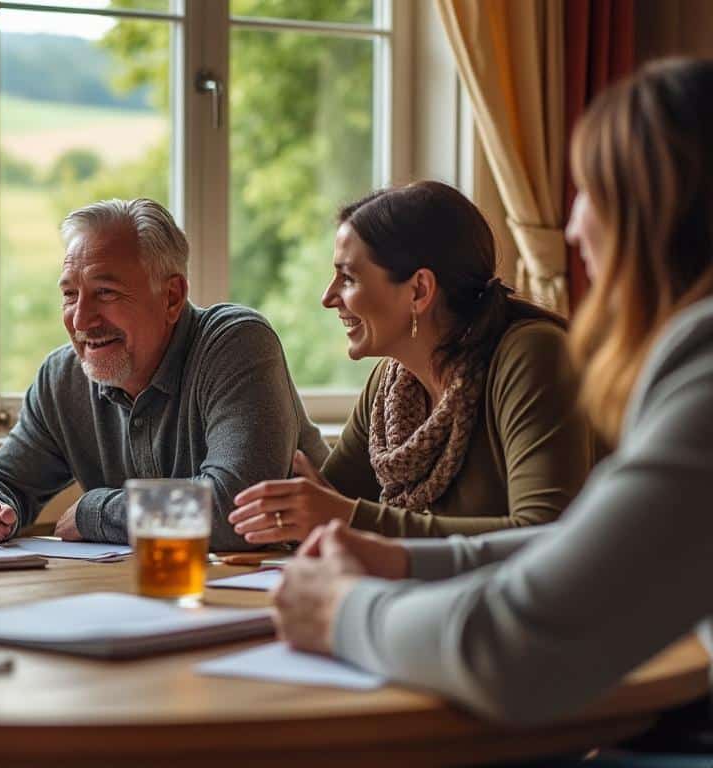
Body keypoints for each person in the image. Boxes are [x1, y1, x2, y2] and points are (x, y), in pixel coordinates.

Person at [271, 59, 713, 754]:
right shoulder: (393, 383)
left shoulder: (692, 374)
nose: (570, 228)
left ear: (660, 216)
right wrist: (403, 563)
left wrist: (343, 610)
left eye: (591, 192)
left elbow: (516, 647)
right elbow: (573, 550)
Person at [229, 182, 594, 544]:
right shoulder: (389, 386)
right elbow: (322, 509)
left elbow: (546, 535)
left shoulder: (532, 355)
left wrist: (348, 518)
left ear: (419, 290)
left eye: (349, 278)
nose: (328, 297)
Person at [0, 198, 327, 549]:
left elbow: (236, 510)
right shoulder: (63, 378)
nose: (80, 320)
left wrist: (96, 511)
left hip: (302, 581)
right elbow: (2, 479)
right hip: (151, 592)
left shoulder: (237, 343)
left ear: (171, 297)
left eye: (105, 292)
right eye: (70, 294)